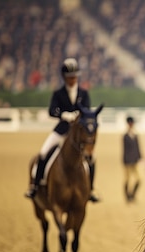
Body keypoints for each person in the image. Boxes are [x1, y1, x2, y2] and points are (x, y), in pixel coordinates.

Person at [25, 58, 100, 202]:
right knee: (43, 153)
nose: (72, 80)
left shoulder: (83, 93)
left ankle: (90, 189)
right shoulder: (58, 93)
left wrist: (79, 115)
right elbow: (51, 111)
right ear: (64, 78)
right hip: (61, 130)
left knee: (92, 159)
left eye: (74, 77)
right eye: (69, 78)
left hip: (77, 134)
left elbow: (87, 111)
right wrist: (63, 115)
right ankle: (35, 185)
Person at [123, 116, 143, 203]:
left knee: (139, 179)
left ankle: (132, 195)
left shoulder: (135, 135)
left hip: (135, 160)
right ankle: (127, 197)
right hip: (128, 161)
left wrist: (140, 157)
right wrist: (125, 160)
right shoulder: (125, 136)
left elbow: (138, 148)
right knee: (127, 179)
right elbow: (124, 149)